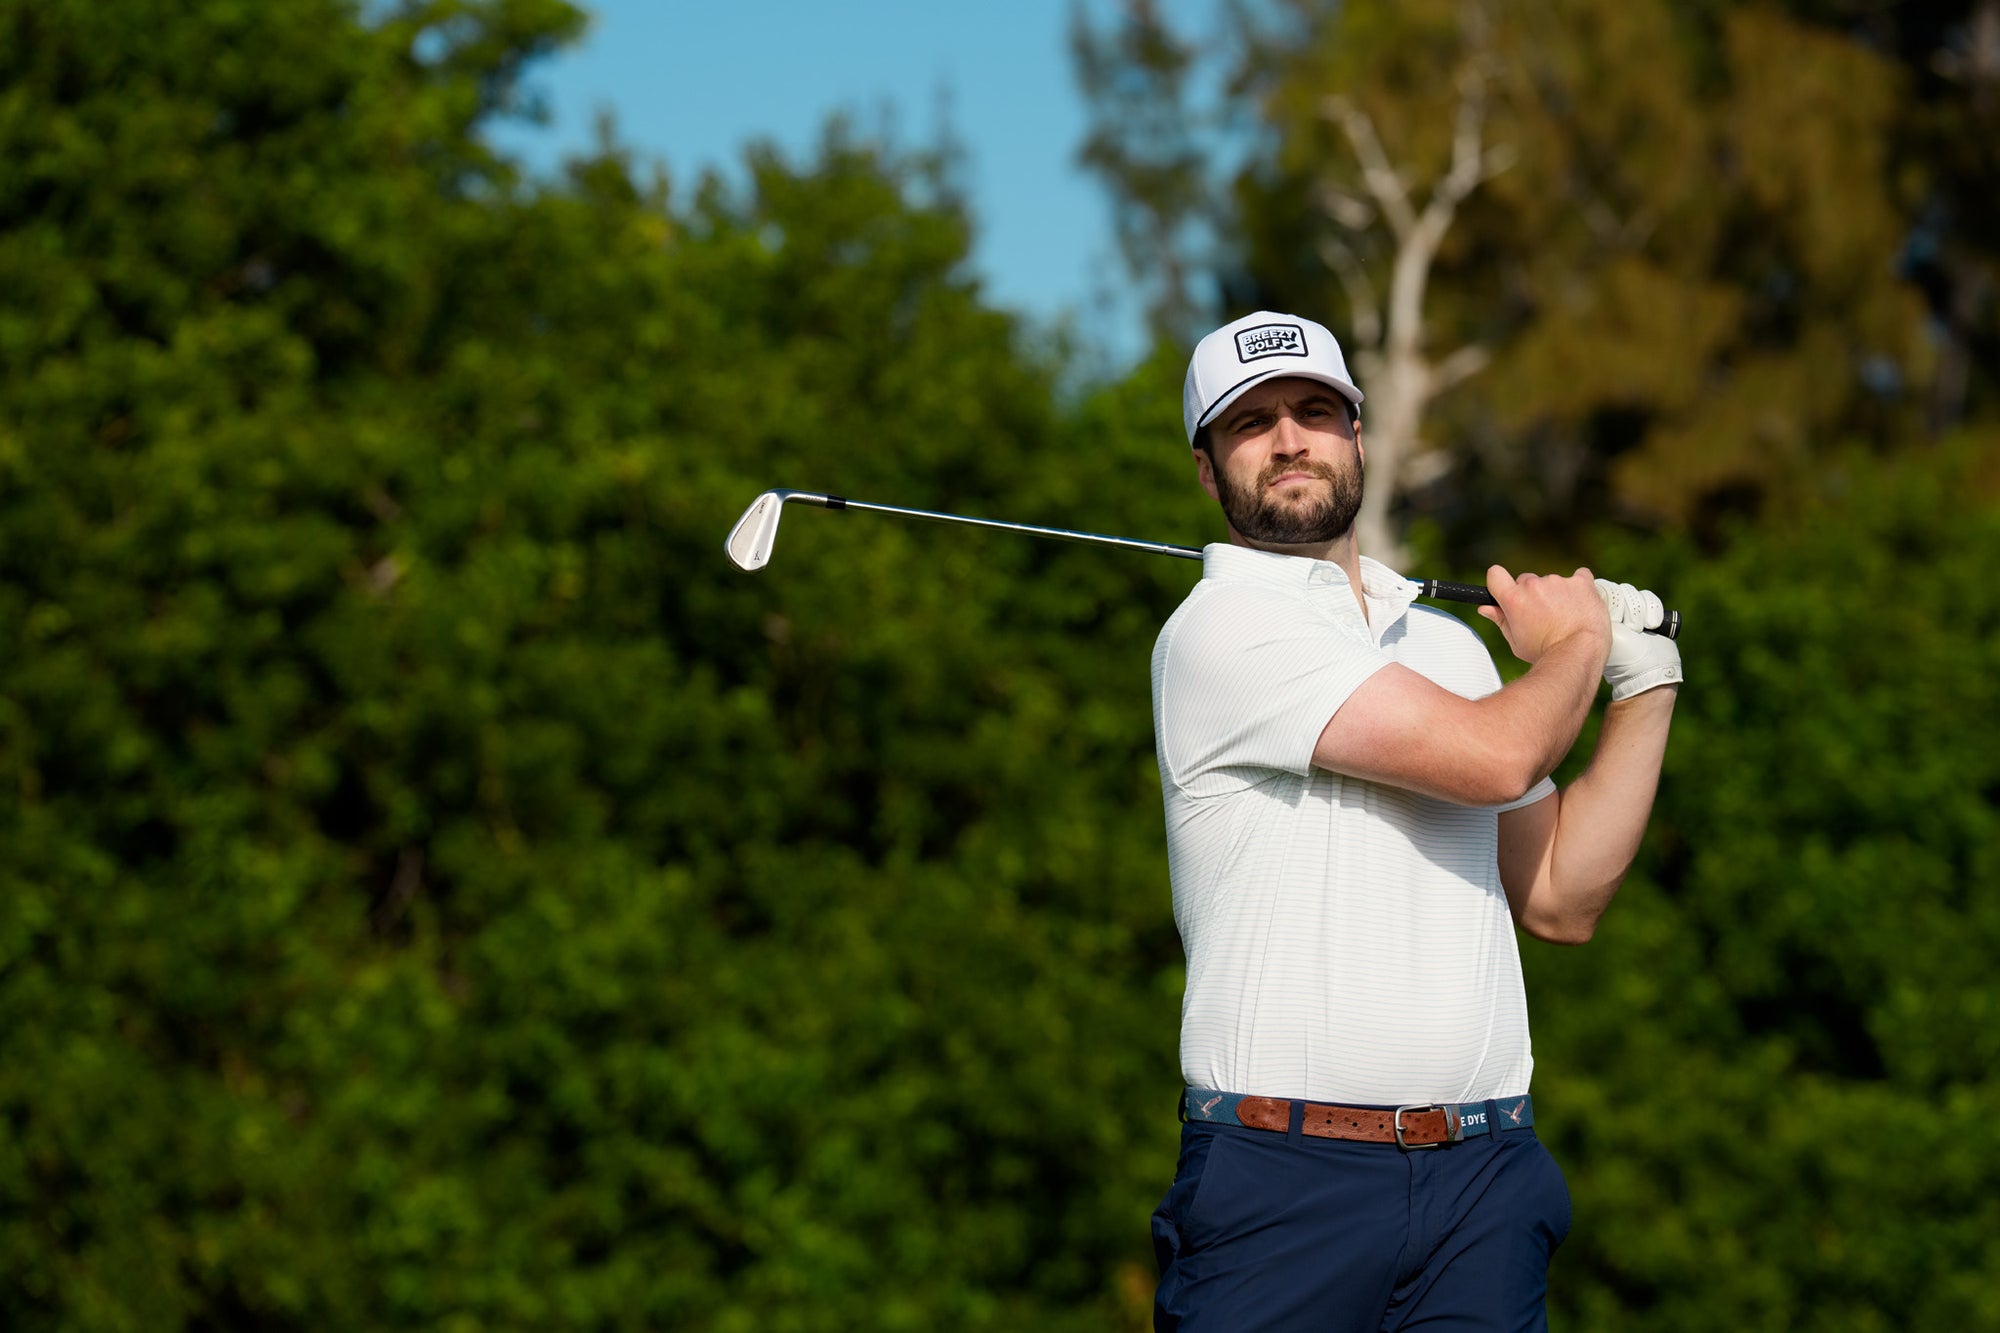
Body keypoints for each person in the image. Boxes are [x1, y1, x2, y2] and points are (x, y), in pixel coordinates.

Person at [1149, 311, 1681, 1332]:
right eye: (1250, 422)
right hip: (1283, 1184)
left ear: (1356, 436)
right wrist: (1575, 643)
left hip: (1484, 1184)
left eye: (1314, 411)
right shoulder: (1219, 629)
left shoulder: (1450, 651)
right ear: (1209, 471)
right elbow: (1497, 756)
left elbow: (1561, 895)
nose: (1289, 440)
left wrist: (1641, 680)